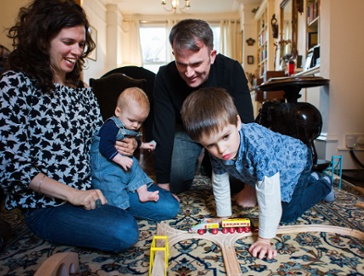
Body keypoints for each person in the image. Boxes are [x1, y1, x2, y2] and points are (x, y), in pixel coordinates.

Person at [0, 0, 179, 253]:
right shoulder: (14, 85)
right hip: (48, 203)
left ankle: (106, 213)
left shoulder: (82, 91)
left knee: (169, 206)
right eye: (68, 42)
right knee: (124, 231)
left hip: (96, 185)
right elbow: (12, 167)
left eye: (80, 44)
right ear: (42, 39)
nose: (77, 51)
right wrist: (72, 194)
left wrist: (131, 142)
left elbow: (101, 137)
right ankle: (94, 219)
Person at [180, 87, 335, 260]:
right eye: (210, 145)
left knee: (287, 214)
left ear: (237, 122)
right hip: (271, 169)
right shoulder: (217, 150)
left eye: (225, 137)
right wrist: (224, 217)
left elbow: (268, 197)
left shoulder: (259, 149)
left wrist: (264, 239)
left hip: (295, 162)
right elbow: (220, 181)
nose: (221, 150)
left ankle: (323, 184)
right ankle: (310, 180)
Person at [153, 19, 255, 198]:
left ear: (212, 55)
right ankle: (201, 161)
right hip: (186, 131)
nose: (189, 73)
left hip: (222, 131)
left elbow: (246, 124)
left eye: (196, 64)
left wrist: (250, 186)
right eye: (181, 64)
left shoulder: (231, 70)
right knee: (175, 180)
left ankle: (210, 163)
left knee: (235, 183)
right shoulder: (164, 76)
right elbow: (163, 131)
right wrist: (163, 185)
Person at [91, 87, 159, 208]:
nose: (135, 125)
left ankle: (143, 193)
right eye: (132, 120)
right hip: (107, 169)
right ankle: (120, 210)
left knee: (138, 172)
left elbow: (134, 141)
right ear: (118, 111)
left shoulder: (128, 125)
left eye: (140, 122)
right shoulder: (111, 126)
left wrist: (143, 145)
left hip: (124, 165)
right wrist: (120, 159)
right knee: (113, 190)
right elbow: (104, 146)